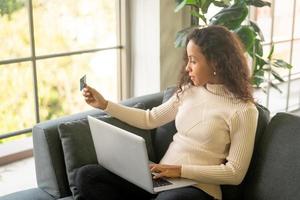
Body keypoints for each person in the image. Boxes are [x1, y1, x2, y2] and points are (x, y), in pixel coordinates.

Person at [75, 25, 259, 200]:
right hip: (158, 180)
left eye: (193, 61)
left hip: (197, 189)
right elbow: (150, 118)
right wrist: (105, 104)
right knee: (87, 176)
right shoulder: (189, 90)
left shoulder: (243, 110)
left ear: (216, 63)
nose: (187, 67)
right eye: (188, 60)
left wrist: (179, 170)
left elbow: (235, 173)